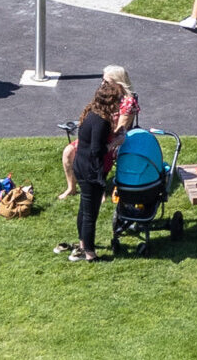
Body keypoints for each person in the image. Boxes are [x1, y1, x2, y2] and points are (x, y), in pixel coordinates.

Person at [66, 76, 127, 262]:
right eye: (118, 101)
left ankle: (83, 244)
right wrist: (115, 142)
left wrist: (112, 135)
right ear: (111, 102)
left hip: (81, 165)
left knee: (84, 208)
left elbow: (95, 140)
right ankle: (90, 254)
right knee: (90, 214)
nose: (119, 105)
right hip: (91, 171)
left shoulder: (91, 113)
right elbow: (97, 150)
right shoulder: (101, 121)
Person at [61, 65, 136, 199]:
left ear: (118, 83)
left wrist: (100, 132)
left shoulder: (128, 102)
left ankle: (98, 189)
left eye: (106, 81)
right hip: (98, 134)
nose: (102, 84)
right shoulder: (106, 94)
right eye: (103, 80)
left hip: (114, 139)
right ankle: (71, 187)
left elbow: (119, 130)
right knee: (68, 152)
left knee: (97, 154)